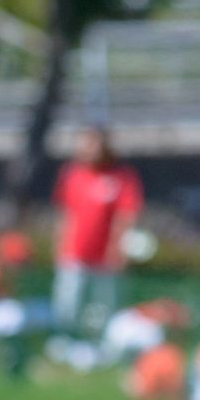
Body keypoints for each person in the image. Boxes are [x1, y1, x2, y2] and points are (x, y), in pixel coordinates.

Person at [50, 126, 143, 338]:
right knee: (68, 302)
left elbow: (126, 215)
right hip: (75, 252)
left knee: (103, 305)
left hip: (105, 256)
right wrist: (60, 245)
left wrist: (119, 248)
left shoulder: (120, 177)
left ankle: (101, 345)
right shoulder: (71, 175)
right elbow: (65, 214)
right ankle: (65, 341)